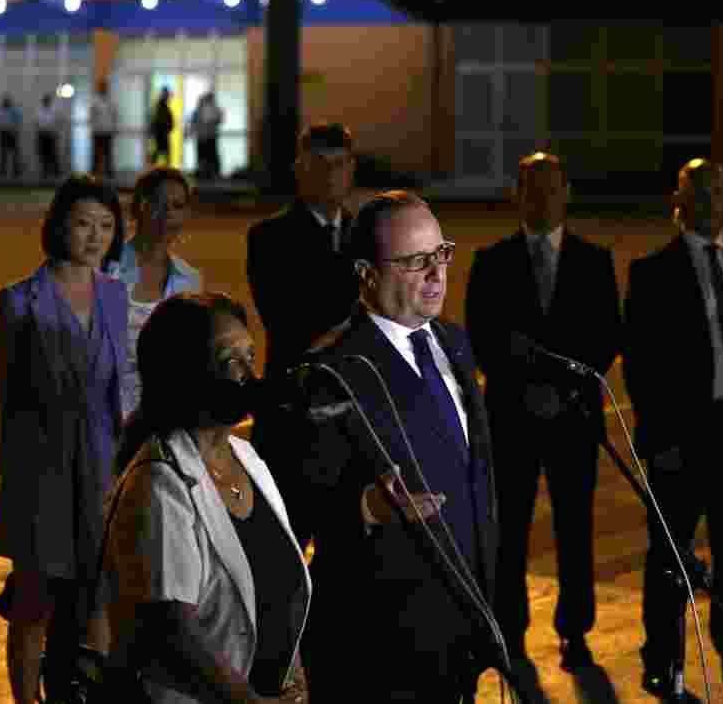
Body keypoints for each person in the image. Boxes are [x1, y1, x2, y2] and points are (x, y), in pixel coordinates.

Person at [294, 191, 501, 703]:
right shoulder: (331, 369)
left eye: (441, 254)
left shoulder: (453, 342)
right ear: (366, 273)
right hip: (382, 642)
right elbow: (299, 502)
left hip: (465, 618)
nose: (436, 274)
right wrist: (365, 506)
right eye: (414, 262)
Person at [104, 292, 310, 704]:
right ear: (185, 375)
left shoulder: (249, 460)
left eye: (250, 355)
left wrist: (296, 676)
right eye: (229, 360)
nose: (249, 375)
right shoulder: (160, 484)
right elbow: (170, 630)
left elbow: (280, 592)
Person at [623, 159, 723, 702]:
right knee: (671, 558)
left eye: (718, 189)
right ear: (680, 200)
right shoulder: (652, 272)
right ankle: (664, 661)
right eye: (699, 191)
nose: (711, 200)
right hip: (682, 440)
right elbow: (641, 366)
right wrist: (658, 442)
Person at [465, 152, 620, 688]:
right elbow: (481, 337)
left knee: (575, 527)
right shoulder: (492, 261)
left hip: (573, 418)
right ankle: (509, 629)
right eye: (532, 189)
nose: (542, 199)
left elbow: (606, 338)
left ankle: (574, 629)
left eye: (551, 189)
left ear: (566, 194)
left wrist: (562, 390)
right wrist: (524, 388)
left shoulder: (595, 261)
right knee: (509, 529)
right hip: (512, 416)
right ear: (519, 196)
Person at [0, 173, 128, 704]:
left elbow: (122, 387)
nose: (95, 237)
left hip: (103, 463)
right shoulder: (19, 301)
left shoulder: (115, 295)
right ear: (58, 227)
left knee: (98, 594)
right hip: (40, 467)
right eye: (83, 224)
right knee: (33, 600)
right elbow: (9, 398)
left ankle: (84, 692)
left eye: (107, 226)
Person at [246, 123, 359, 547]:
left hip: (353, 422)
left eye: (340, 164)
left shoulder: (370, 235)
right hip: (291, 418)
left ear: (352, 169)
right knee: (281, 555)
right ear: (299, 169)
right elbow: (287, 320)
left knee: (346, 562)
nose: (331, 175)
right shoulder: (269, 238)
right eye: (320, 165)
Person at [113, 167, 203, 420]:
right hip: (103, 415)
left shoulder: (190, 281)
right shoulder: (104, 269)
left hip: (162, 415)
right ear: (140, 206)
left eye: (178, 206)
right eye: (159, 204)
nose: (169, 215)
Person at [189, 92, 224, 180]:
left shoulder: (210, 109)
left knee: (207, 156)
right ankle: (206, 173)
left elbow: (219, 119)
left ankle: (208, 173)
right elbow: (194, 122)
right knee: (207, 156)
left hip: (206, 136)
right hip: (206, 136)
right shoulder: (203, 110)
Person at [90, 81, 118, 179]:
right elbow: (91, 116)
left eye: (104, 87)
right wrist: (92, 128)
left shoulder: (111, 101)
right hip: (97, 131)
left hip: (108, 131)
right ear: (99, 88)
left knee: (108, 154)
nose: (103, 89)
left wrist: (114, 128)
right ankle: (94, 173)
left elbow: (115, 115)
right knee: (96, 154)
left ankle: (109, 173)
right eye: (102, 87)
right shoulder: (94, 101)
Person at [0, 95, 24, 178]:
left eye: (8, 101)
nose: (6, 102)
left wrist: (15, 129)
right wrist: (2, 128)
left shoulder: (14, 110)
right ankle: (3, 171)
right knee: (3, 153)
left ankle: (16, 170)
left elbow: (18, 120)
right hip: (3, 133)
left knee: (15, 153)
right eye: (5, 101)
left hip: (13, 133)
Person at [36, 94, 62, 180]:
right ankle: (45, 172)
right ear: (43, 102)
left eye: (48, 101)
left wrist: (56, 132)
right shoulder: (39, 110)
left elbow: (57, 122)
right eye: (45, 101)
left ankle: (55, 172)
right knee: (43, 155)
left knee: (53, 154)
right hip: (42, 134)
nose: (46, 102)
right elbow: (37, 122)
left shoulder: (53, 110)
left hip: (51, 134)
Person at [149, 88, 174, 167]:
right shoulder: (161, 106)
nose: (168, 97)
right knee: (163, 152)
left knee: (160, 152)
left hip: (162, 133)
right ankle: (154, 168)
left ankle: (153, 167)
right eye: (167, 95)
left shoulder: (161, 105)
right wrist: (168, 126)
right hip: (161, 133)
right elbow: (161, 120)